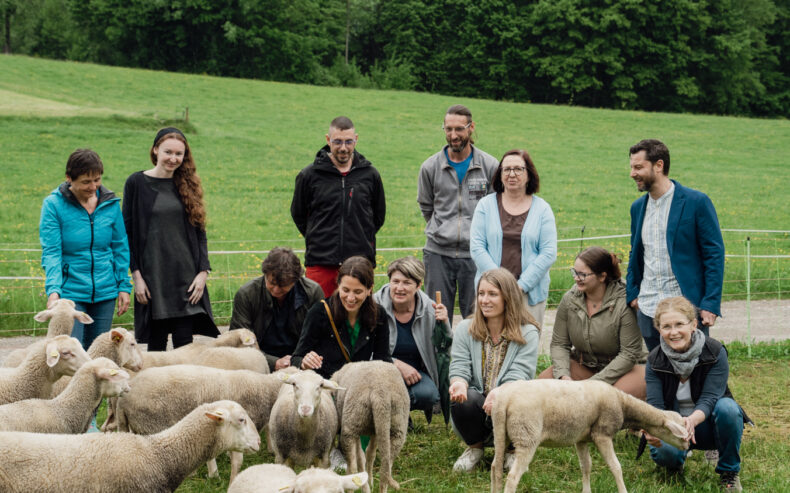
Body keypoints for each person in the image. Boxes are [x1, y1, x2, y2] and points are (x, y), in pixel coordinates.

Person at [123, 127, 219, 351]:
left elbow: (200, 233)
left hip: (186, 279)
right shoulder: (136, 183)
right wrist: (136, 276)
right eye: (168, 152)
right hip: (153, 277)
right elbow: (126, 234)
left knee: (185, 347)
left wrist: (202, 272)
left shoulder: (188, 184)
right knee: (156, 347)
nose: (173, 159)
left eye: (179, 154)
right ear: (155, 150)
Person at [627, 139, 725, 351]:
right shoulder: (637, 208)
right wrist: (633, 293)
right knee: (659, 371)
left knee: (694, 369)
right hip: (648, 308)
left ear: (658, 165)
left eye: (638, 167)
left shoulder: (696, 202)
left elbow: (714, 254)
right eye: (631, 167)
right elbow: (635, 253)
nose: (632, 174)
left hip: (687, 308)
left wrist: (710, 303)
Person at [643, 296, 749, 492]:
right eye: (666, 326)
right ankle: (675, 463)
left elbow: (711, 397)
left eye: (679, 324)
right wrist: (653, 428)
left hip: (706, 423)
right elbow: (656, 406)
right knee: (666, 455)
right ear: (659, 329)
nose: (673, 332)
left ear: (693, 324)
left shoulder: (715, 351)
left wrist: (691, 420)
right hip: (673, 426)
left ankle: (729, 473)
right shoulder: (654, 360)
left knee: (729, 409)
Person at [448, 268, 540, 472]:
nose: (484, 300)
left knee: (521, 399)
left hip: (511, 403)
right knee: (464, 398)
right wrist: (459, 383)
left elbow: (520, 373)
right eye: (481, 294)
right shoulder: (465, 328)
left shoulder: (528, 332)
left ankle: (512, 451)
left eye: (492, 294)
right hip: (479, 405)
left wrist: (499, 393)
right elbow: (459, 365)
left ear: (508, 297)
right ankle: (475, 449)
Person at [39, 149, 132, 349]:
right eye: (86, 182)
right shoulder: (53, 205)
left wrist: (124, 285)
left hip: (106, 293)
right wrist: (54, 291)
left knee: (100, 353)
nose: (93, 187)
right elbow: (52, 252)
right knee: (74, 352)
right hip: (70, 294)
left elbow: (120, 246)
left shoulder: (110, 204)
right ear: (69, 178)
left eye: (97, 180)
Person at [417, 104, 499, 320]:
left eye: (459, 129)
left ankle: (473, 355)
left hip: (476, 255)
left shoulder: (489, 166)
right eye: (448, 129)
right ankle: (439, 356)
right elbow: (426, 205)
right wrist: (444, 228)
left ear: (471, 128)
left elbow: (495, 208)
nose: (453, 135)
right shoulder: (430, 167)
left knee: (477, 317)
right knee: (436, 317)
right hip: (438, 254)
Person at [291, 116, 386, 297]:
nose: (343, 148)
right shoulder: (309, 176)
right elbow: (299, 214)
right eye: (338, 142)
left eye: (349, 142)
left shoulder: (370, 175)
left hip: (360, 263)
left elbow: (378, 216)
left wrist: (360, 235)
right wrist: (318, 236)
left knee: (359, 318)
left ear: (356, 139)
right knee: (320, 315)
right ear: (328, 140)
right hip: (320, 263)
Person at [538, 246, 646, 399]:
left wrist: (593, 384)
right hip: (585, 365)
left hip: (624, 370)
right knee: (544, 383)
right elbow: (559, 344)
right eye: (575, 272)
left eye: (582, 274)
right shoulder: (569, 300)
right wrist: (563, 376)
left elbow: (628, 354)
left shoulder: (623, 303)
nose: (576, 278)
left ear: (602, 276)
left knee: (612, 399)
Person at [469, 149, 557, 328]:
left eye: (518, 169)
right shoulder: (485, 205)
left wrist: (520, 286)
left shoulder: (542, 209)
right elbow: (477, 247)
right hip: (491, 293)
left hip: (528, 293)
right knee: (488, 345)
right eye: (506, 169)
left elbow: (548, 253)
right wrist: (498, 284)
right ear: (500, 175)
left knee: (525, 345)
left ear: (528, 174)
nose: (512, 174)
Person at [373, 256, 452, 421]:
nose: (399, 288)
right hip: (379, 371)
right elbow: (364, 350)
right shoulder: (373, 306)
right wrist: (395, 364)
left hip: (416, 373)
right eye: (395, 281)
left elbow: (444, 349)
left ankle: (397, 412)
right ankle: (395, 415)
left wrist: (445, 325)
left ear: (418, 285)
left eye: (407, 282)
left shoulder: (430, 309)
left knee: (428, 395)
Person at [291, 256, 391, 380]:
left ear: (369, 289)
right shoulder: (319, 312)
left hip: (359, 384)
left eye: (358, 292)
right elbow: (296, 358)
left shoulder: (379, 314)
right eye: (345, 290)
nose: (350, 298)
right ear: (338, 285)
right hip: (325, 386)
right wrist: (305, 363)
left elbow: (383, 360)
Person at [229, 247, 323, 372]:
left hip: (301, 359)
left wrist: (301, 361)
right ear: (265, 274)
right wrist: (274, 363)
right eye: (271, 283)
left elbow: (320, 336)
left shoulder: (313, 292)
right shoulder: (246, 294)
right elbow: (239, 340)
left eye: (283, 285)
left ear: (296, 280)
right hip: (258, 361)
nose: (276, 290)